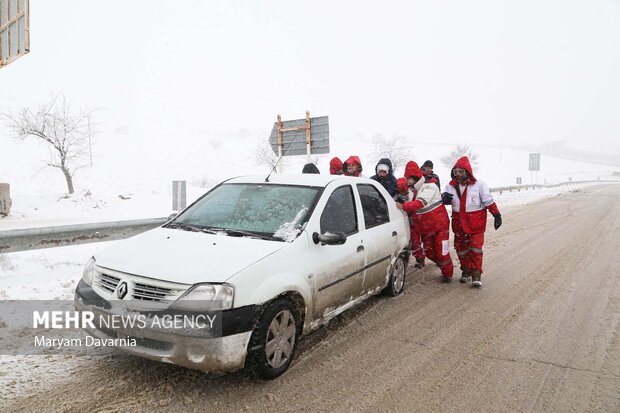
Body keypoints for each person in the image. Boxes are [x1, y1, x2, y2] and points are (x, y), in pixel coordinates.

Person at [441, 156, 502, 287]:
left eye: (461, 171)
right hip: (459, 223)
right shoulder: (450, 186)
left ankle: (476, 274)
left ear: (467, 171)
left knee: (475, 249)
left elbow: (488, 201)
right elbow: (445, 200)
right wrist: (444, 198)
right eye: (456, 171)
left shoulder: (479, 185)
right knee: (461, 250)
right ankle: (466, 270)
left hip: (476, 223)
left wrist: (496, 214)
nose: (458, 174)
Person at [396, 161, 454, 281]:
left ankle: (447, 273)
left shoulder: (430, 186)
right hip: (427, 228)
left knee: (442, 252)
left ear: (414, 178)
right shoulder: (413, 190)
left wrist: (404, 206)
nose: (407, 182)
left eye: (408, 179)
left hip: (439, 226)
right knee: (429, 252)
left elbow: (420, 203)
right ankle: (441, 264)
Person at [396, 177, 425, 268]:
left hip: (415, 222)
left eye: (404, 190)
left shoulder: (415, 193)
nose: (403, 192)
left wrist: (405, 207)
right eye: (401, 190)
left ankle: (421, 259)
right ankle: (417, 259)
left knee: (416, 242)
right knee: (410, 243)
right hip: (403, 222)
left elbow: (417, 205)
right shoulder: (395, 195)